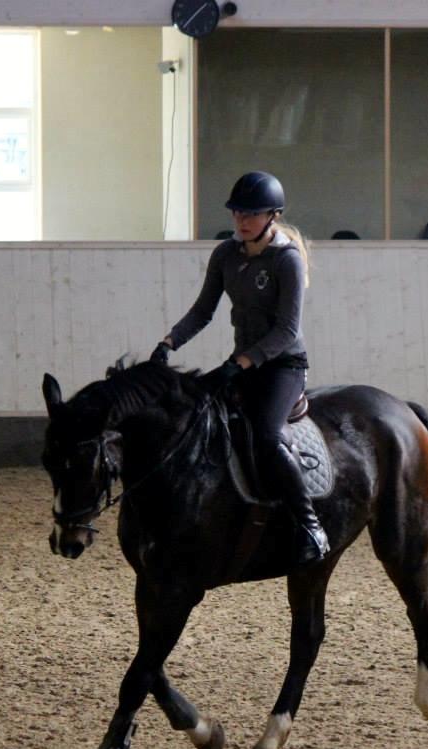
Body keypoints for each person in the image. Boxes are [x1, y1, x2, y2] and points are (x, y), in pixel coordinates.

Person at [150, 171, 329, 565]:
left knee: (265, 434)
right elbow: (203, 310)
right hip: (242, 364)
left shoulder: (287, 260)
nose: (241, 221)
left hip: (282, 366)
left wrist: (241, 363)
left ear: (273, 216)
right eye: (237, 214)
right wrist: (169, 343)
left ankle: (309, 525)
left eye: (251, 214)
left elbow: (287, 330)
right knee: (197, 420)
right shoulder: (225, 254)